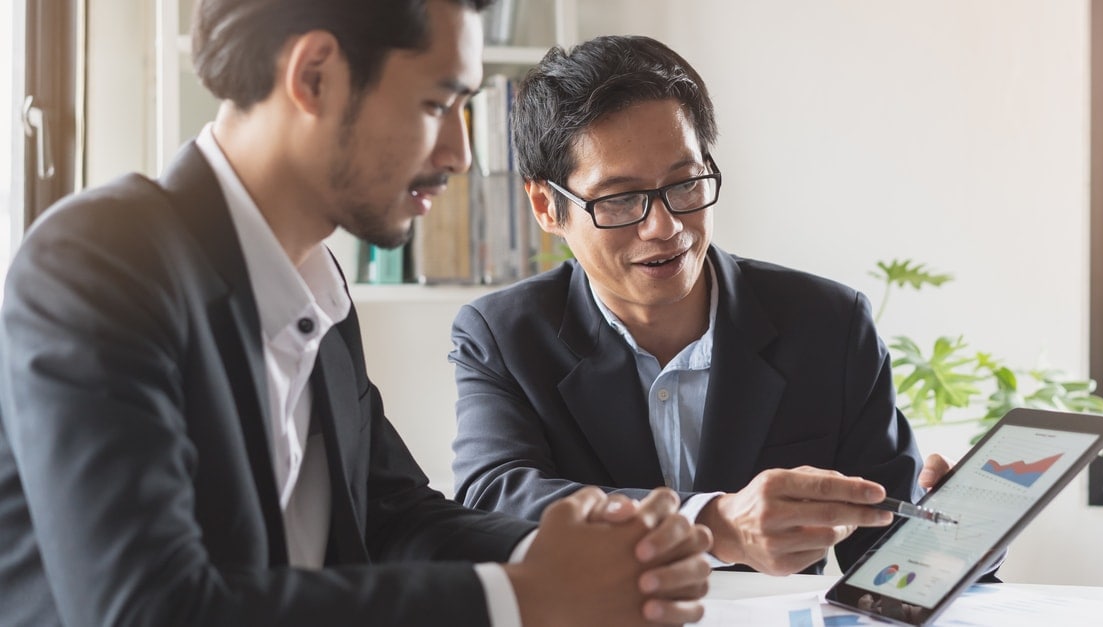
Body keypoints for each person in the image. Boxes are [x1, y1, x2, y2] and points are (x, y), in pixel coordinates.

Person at [0, 4, 713, 626]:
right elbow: (149, 611)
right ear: (314, 77)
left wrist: (581, 554)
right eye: (436, 104)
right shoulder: (101, 263)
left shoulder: (319, 292)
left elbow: (390, 511)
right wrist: (522, 598)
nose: (459, 154)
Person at [449, 34, 952, 577]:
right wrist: (713, 524)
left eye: (685, 183)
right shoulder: (503, 336)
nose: (665, 227)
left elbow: (895, 562)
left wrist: (962, 531)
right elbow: (495, 499)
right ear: (547, 206)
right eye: (621, 199)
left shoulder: (830, 325)